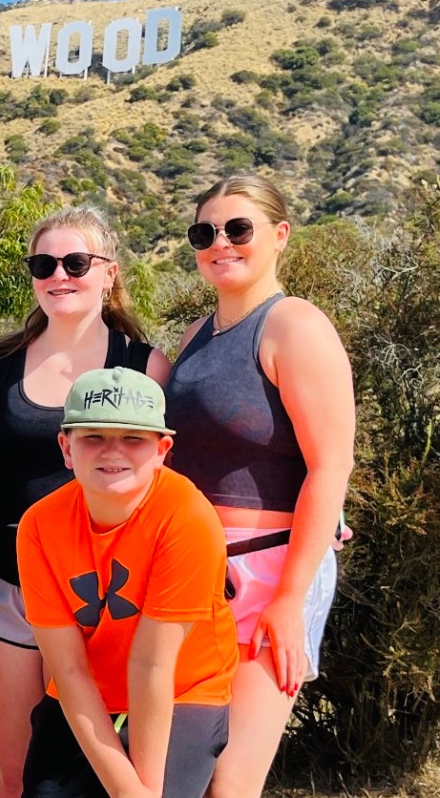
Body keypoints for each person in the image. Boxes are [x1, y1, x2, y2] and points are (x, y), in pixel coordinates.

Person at [0, 205, 171, 797]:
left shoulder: (144, 366)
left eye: (76, 262)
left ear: (108, 273)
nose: (59, 274)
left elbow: (173, 470)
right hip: (14, 587)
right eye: (44, 263)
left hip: (109, 596)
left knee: (104, 775)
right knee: (17, 776)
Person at [163, 174, 354, 798]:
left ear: (279, 235)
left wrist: (289, 600)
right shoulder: (195, 337)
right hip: (192, 576)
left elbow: (330, 466)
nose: (221, 243)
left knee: (231, 780)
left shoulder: (295, 327)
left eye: (238, 229)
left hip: (272, 574)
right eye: (205, 233)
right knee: (175, 770)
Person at [17, 366, 239, 798]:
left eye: (133, 439)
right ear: (66, 447)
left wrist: (143, 791)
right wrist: (125, 788)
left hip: (183, 687)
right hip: (88, 687)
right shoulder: (39, 526)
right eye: (93, 437)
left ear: (161, 449)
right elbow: (68, 668)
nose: (112, 452)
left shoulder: (187, 517)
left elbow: (153, 664)